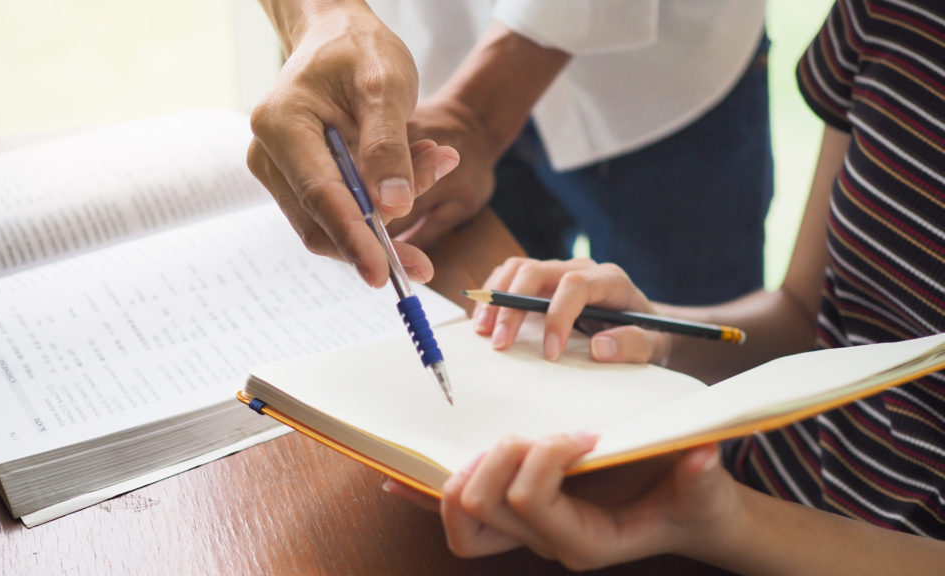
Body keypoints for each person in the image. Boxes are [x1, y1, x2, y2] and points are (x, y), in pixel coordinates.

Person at [382, 0, 945, 572]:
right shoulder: (893, 17)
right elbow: (805, 317)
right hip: (740, 494)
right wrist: (654, 332)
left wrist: (727, 522)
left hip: (731, 522)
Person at [248, 0, 771, 305]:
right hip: (436, 66)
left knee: (694, 379)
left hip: (659, 83)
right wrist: (322, 16)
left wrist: (476, 116)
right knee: (499, 343)